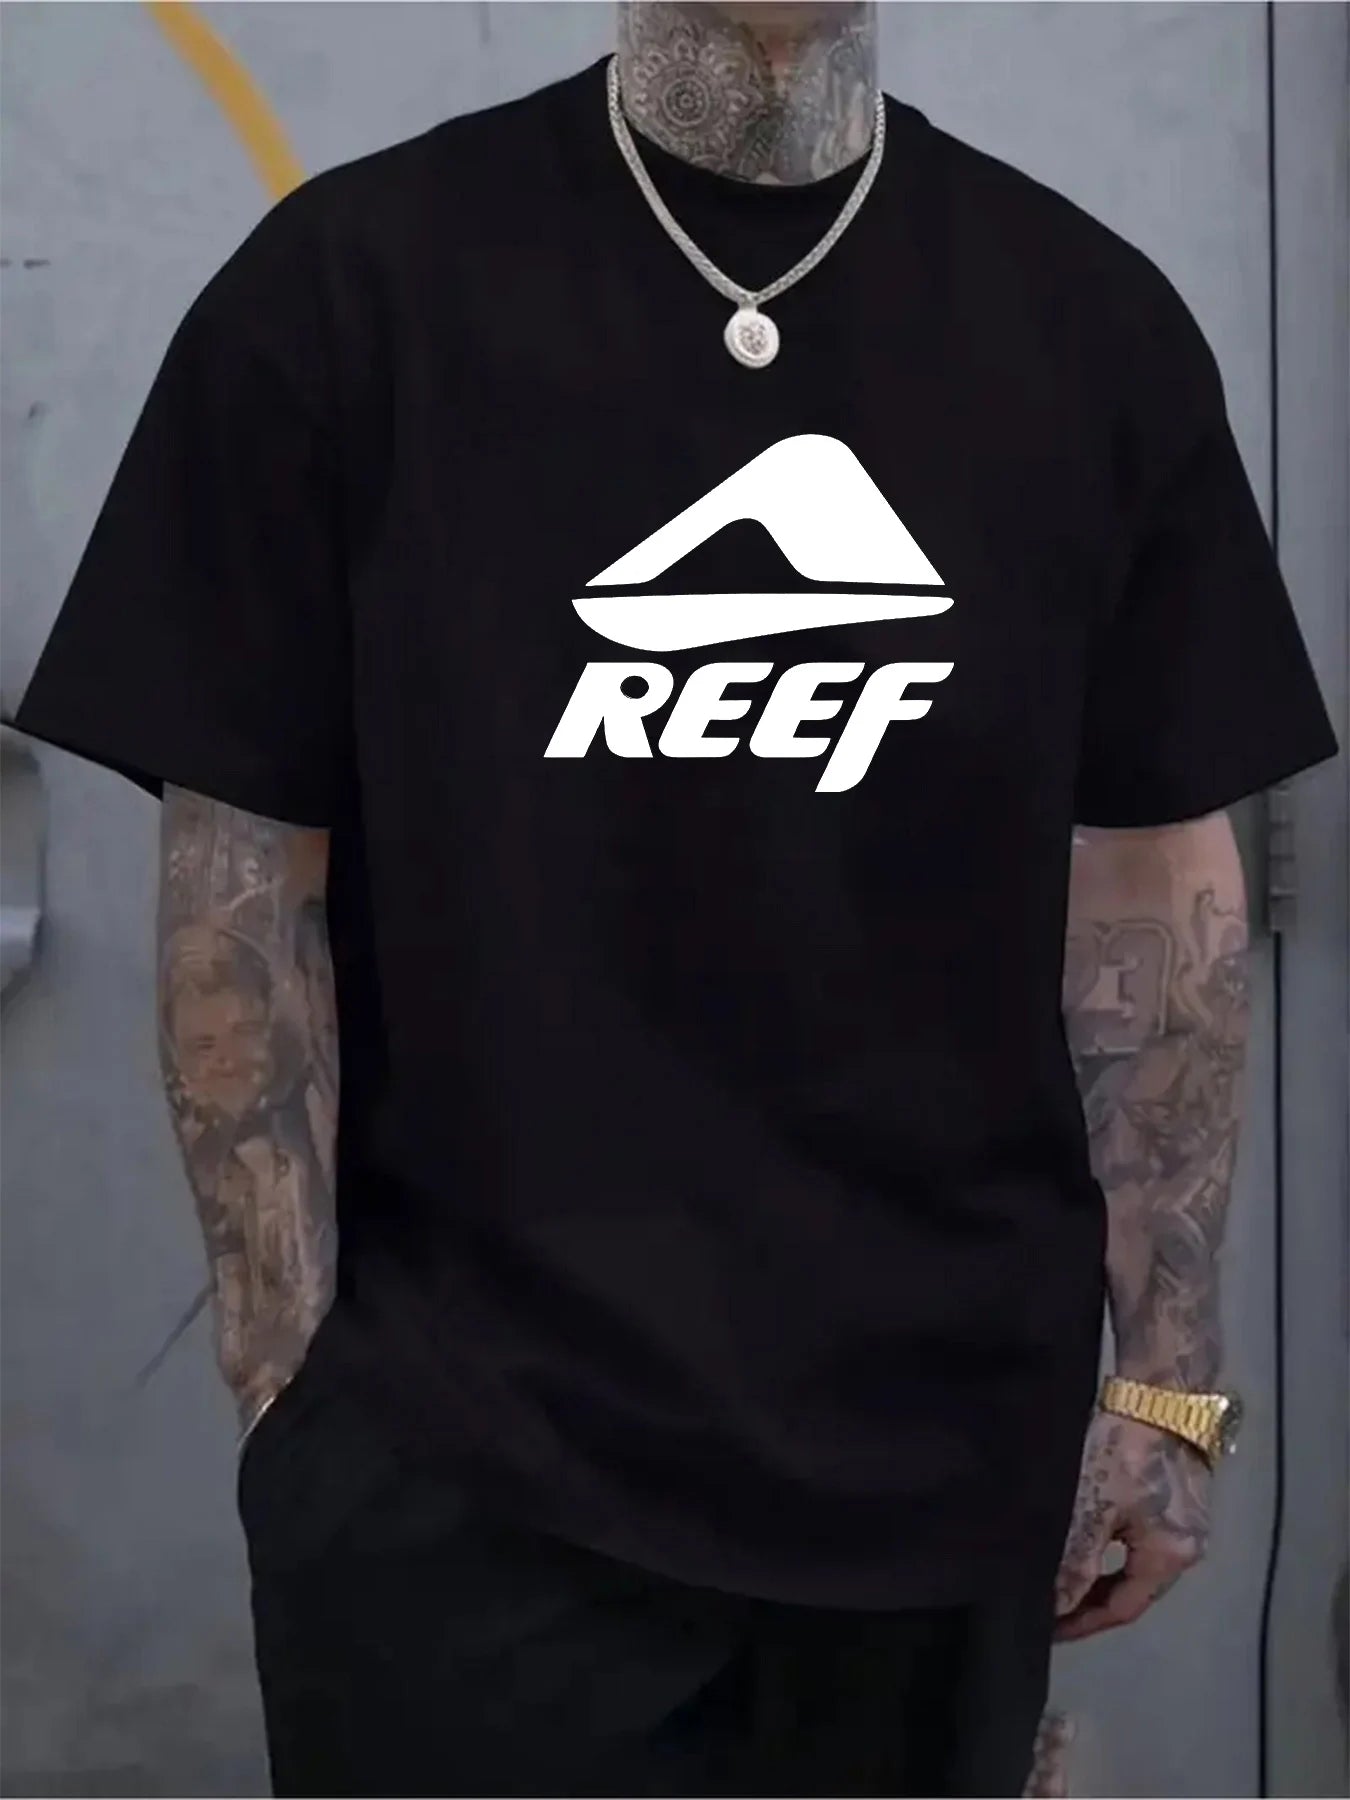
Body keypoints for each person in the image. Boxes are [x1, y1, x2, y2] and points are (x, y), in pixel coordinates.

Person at [12, 3, 1338, 1795]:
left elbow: (1155, 892)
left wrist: (1164, 1386)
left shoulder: (1088, 324)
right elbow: (242, 896)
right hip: (470, 1481)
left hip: (945, 1476)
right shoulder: (350, 293)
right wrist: (295, 1402)